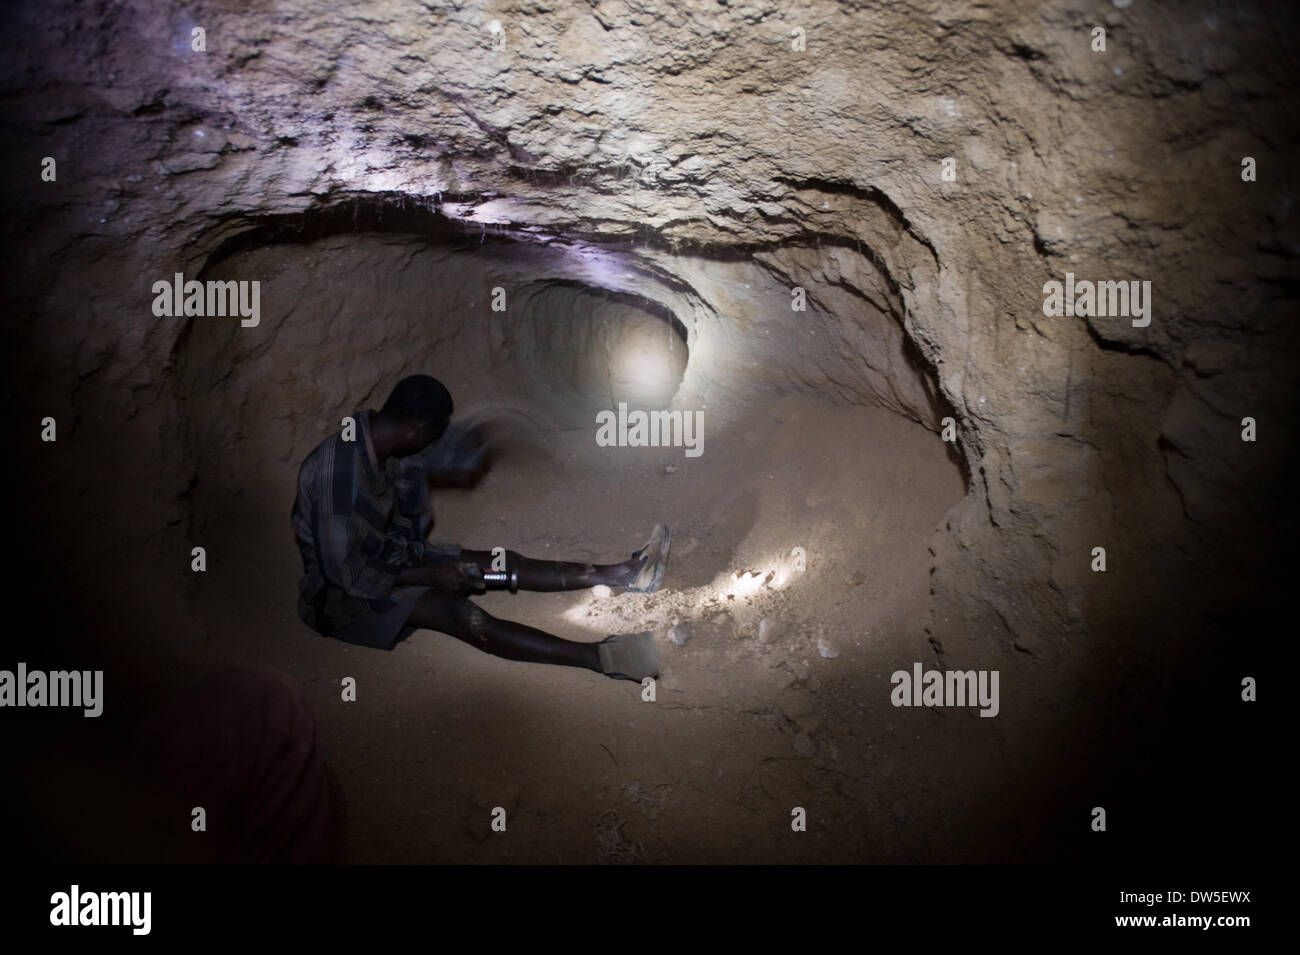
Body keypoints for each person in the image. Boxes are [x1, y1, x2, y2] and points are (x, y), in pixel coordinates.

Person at [290, 375, 666, 681]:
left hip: (391, 555)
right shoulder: (339, 478)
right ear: (416, 429)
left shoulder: (382, 438)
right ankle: (603, 657)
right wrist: (427, 574)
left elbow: (408, 506)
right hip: (340, 599)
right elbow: (347, 575)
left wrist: (429, 556)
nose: (436, 440)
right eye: (436, 432)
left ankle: (625, 573)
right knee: (459, 614)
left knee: (502, 564)